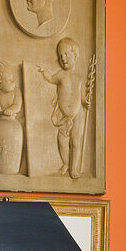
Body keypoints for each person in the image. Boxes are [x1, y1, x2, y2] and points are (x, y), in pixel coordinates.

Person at [37, 37, 87, 178]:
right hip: (63, 116)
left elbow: (82, 97)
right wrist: (44, 70)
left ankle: (74, 169)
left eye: (66, 54)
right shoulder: (60, 75)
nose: (63, 58)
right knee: (62, 142)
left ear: (75, 55)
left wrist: (86, 101)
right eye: (60, 56)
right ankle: (65, 162)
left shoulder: (79, 77)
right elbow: (50, 79)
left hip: (77, 115)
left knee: (76, 142)